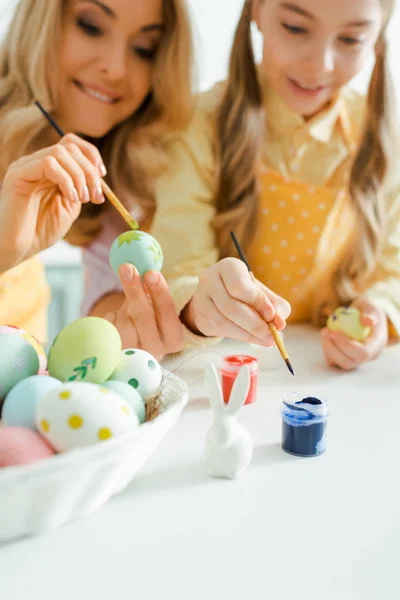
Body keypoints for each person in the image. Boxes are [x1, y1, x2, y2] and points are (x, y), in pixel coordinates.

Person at [87, 0, 399, 370]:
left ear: (377, 39)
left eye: (350, 39)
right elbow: (177, 270)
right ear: (256, 11)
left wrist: (378, 314)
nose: (319, 64)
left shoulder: (381, 138)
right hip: (217, 367)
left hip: (331, 376)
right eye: (296, 28)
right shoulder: (196, 125)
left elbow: (391, 270)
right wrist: (203, 305)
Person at [0, 0, 199, 349]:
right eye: (91, 27)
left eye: (144, 49)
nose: (116, 68)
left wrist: (173, 315)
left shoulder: (112, 173)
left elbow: (111, 304)